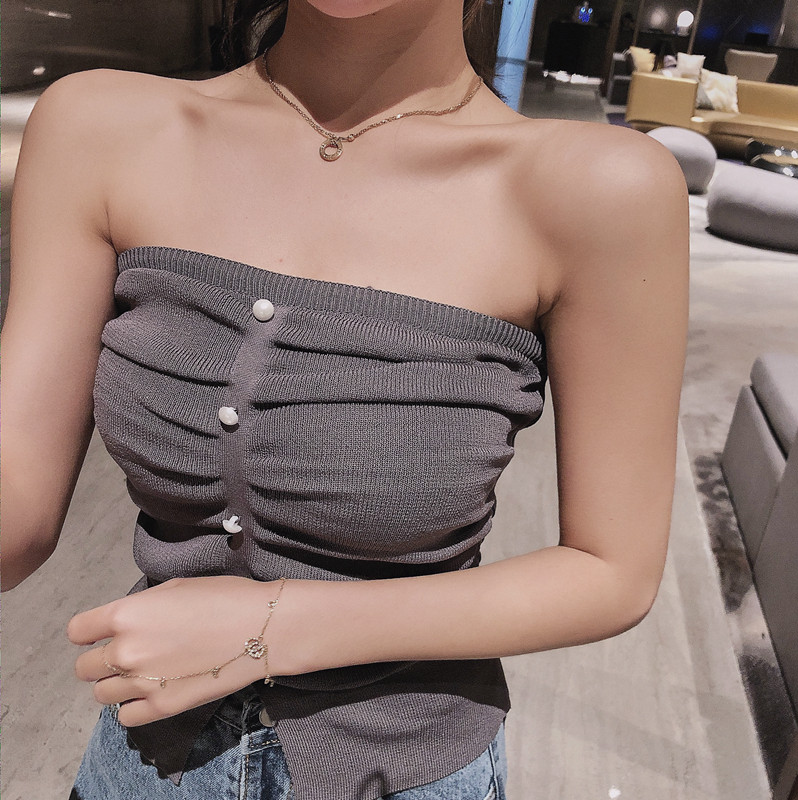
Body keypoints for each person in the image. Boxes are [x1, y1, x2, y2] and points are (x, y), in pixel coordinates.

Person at [0, 0, 689, 798]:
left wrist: (271, 627)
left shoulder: (599, 188)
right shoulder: (99, 128)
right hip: (146, 767)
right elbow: (17, 510)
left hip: (406, 770)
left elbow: (612, 571)